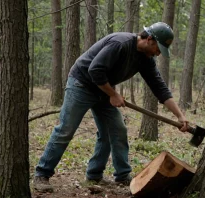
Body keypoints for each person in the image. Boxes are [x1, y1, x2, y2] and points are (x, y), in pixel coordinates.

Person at [33, 22, 189, 192]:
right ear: (149, 39)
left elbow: (160, 88)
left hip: (103, 89)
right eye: (157, 48)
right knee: (66, 130)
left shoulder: (146, 59)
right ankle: (42, 174)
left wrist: (180, 115)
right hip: (82, 84)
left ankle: (105, 175)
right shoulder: (120, 44)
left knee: (116, 129)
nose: (158, 53)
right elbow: (95, 70)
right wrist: (113, 95)